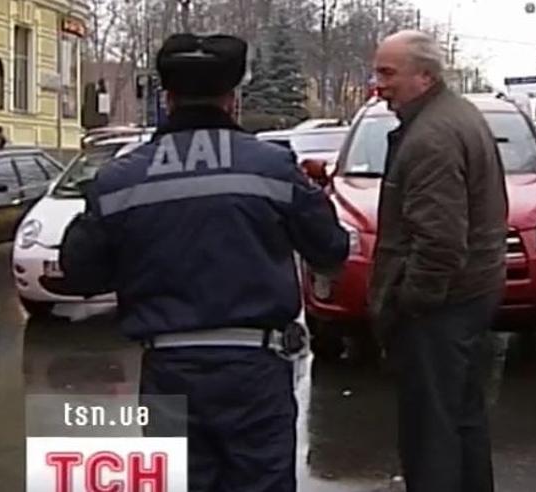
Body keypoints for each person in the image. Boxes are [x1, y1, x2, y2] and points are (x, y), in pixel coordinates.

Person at [47, 33, 349, 492]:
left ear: (168, 99)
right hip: (255, 371)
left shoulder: (121, 177)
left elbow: (79, 272)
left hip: (169, 370)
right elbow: (330, 250)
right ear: (233, 99)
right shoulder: (272, 166)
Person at [368, 30, 509, 492]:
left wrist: (411, 303)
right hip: (466, 296)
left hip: (441, 307)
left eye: (388, 73)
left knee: (430, 435)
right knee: (461, 418)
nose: (378, 85)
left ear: (424, 77)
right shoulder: (454, 115)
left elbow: (440, 241)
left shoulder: (431, 137)